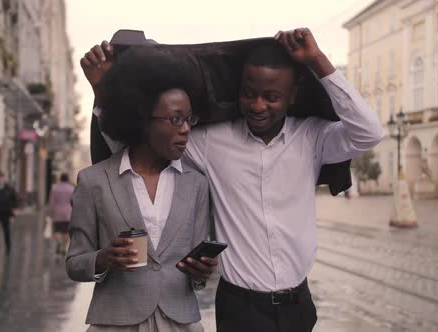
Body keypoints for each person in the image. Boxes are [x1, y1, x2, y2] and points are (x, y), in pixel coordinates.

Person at [84, 27, 384, 332]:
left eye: (272, 97)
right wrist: (103, 92)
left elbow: (369, 132)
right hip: (240, 310)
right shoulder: (211, 142)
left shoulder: (314, 137)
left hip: (299, 306)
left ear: (292, 96)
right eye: (249, 93)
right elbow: (138, 150)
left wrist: (317, 60)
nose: (257, 105)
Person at [66, 47, 217, 331]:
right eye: (175, 119)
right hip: (115, 323)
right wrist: (103, 258)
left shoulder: (196, 184)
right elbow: (74, 263)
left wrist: (202, 272)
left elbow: (198, 270)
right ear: (141, 119)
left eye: (189, 119)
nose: (186, 129)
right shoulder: (94, 181)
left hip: (180, 323)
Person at [46, 173, 74, 256]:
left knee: (57, 231)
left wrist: (50, 213)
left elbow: (51, 202)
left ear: (60, 179)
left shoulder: (55, 188)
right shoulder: (71, 189)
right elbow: (74, 202)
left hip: (57, 213)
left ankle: (58, 242)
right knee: (66, 232)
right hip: (68, 214)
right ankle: (63, 247)